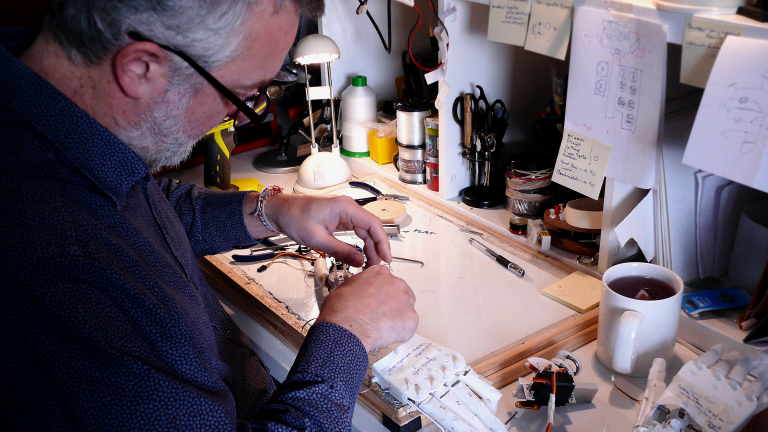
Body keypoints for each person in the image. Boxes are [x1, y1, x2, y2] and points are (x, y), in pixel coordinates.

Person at [0, 0, 419, 430]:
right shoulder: (67, 273)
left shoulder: (43, 114)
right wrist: (347, 335)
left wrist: (271, 211)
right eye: (242, 92)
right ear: (141, 67)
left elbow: (142, 206)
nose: (241, 113)